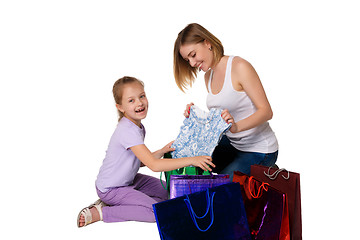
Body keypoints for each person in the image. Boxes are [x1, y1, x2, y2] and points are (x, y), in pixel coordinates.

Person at [77, 76, 214, 227]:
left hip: (130, 180)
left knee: (171, 194)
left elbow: (141, 161)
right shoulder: (127, 131)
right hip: (111, 189)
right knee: (156, 213)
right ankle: (103, 212)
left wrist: (161, 151)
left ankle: (123, 204)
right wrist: (192, 160)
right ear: (120, 107)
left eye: (141, 96)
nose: (140, 102)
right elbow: (154, 165)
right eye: (131, 100)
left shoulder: (138, 127)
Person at [173, 23, 278, 178]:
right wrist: (196, 117)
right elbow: (220, 117)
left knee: (221, 187)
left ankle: (266, 171)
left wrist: (236, 127)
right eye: (187, 60)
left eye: (193, 55)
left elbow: (266, 111)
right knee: (189, 159)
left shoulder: (239, 66)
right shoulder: (208, 77)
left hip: (259, 148)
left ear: (207, 42)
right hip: (233, 144)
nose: (192, 63)